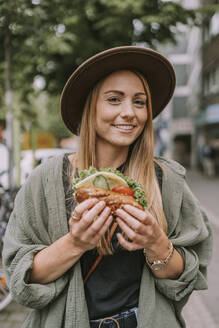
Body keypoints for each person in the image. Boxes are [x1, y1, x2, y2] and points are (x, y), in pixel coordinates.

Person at [2, 46, 212, 328]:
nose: (129, 113)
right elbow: (21, 278)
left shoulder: (167, 179)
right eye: (114, 99)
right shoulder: (47, 180)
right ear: (91, 107)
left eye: (139, 102)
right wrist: (75, 243)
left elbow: (187, 275)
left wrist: (156, 243)